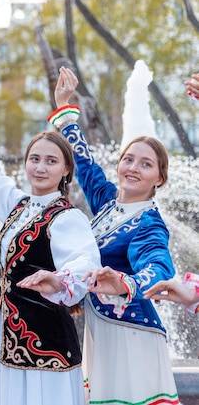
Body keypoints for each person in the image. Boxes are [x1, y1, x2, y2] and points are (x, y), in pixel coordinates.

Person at [51, 66, 179, 405]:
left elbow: (159, 267)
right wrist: (65, 110)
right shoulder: (109, 204)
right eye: (128, 159)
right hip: (103, 330)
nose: (133, 168)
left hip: (131, 334)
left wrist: (125, 283)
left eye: (146, 164)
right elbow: (86, 164)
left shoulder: (148, 223)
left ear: (159, 179)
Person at [0, 93, 101, 405]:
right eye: (35, 159)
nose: (40, 168)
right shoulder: (19, 206)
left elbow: (87, 260)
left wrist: (61, 280)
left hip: (46, 341)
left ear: (67, 170)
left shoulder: (67, 217)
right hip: (8, 336)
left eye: (51, 161)